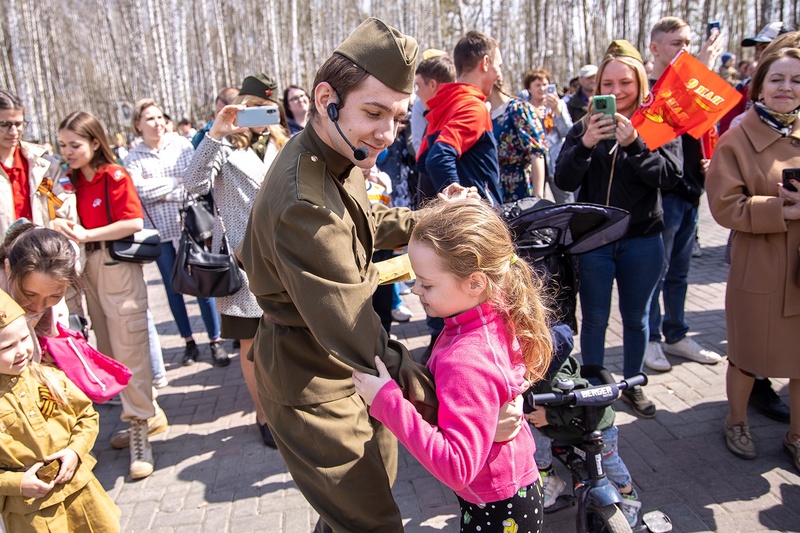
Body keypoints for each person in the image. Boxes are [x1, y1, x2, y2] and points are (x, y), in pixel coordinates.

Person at [237, 19, 521, 532]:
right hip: (317, 377)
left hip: (356, 367)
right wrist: (458, 408)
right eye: (373, 112)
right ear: (327, 98)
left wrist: (431, 219)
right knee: (372, 522)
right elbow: (350, 327)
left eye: (397, 114)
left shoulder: (332, 150)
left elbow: (363, 222)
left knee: (354, 509)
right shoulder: (306, 200)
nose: (387, 133)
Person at [353, 198, 551, 533]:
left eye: (427, 284)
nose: (415, 289)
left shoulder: (466, 359)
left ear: (475, 283)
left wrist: (388, 402)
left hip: (498, 511)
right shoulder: (490, 312)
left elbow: (457, 467)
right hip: (510, 494)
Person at [555, 40, 684, 419]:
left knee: (637, 317)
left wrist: (635, 144)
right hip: (595, 239)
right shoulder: (584, 125)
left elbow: (670, 178)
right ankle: (594, 386)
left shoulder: (658, 123)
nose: (616, 92)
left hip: (643, 239)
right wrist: (586, 144)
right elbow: (563, 177)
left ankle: (634, 383)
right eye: (607, 85)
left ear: (640, 83)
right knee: (594, 318)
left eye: (624, 83)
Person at [56, 110, 166, 479]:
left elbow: (134, 221)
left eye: (75, 145)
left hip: (116, 268)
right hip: (85, 272)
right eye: (63, 146)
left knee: (129, 345)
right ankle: (145, 415)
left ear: (94, 142)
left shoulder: (113, 176)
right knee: (107, 349)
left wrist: (87, 235)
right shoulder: (68, 182)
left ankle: (140, 429)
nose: (68, 152)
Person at [706, 46, 800, 473]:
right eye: (778, 79)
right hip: (758, 263)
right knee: (746, 353)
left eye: (797, 80)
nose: (787, 88)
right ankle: (736, 421)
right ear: (759, 85)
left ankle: (797, 434)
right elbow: (724, 206)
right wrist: (781, 211)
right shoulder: (737, 136)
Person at [184, 72, 289, 447]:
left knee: (288, 337)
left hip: (284, 257)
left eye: (268, 109)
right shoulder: (222, 145)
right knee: (252, 344)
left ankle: (289, 407)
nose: (261, 115)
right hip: (240, 259)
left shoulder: (286, 142)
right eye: (254, 109)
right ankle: (264, 414)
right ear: (240, 108)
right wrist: (216, 131)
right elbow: (193, 184)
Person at [0, 288, 121, 532]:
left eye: (24, 338)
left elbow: (86, 416)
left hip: (82, 492)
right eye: (6, 347)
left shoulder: (49, 377)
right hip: (31, 512)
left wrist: (75, 452)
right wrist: (17, 482)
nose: (22, 351)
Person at [643, 17, 724, 373]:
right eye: (676, 43)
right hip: (665, 194)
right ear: (654, 48)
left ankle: (676, 334)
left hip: (692, 190)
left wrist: (712, 159)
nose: (685, 50)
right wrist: (699, 73)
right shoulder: (651, 88)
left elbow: (705, 131)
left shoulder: (696, 85)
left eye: (689, 42)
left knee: (679, 272)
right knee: (656, 273)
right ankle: (649, 340)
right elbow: (655, 129)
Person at [124, 99, 227, 367]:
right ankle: (188, 342)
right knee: (174, 290)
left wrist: (167, 188)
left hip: (189, 229)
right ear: (138, 124)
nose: (157, 123)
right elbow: (138, 189)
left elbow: (192, 183)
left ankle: (215, 340)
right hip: (158, 234)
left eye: (160, 117)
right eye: (149, 118)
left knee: (203, 286)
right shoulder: (133, 156)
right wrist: (174, 182)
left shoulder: (181, 145)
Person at [524, 324, 641, 527]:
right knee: (533, 426)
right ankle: (547, 474)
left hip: (595, 425)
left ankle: (628, 494)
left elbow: (579, 404)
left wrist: (549, 417)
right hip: (570, 424)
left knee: (610, 463)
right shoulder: (542, 370)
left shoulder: (557, 379)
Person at [417, 30, 504, 206]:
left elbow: (423, 163)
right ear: (486, 63)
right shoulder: (473, 107)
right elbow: (438, 159)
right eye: (499, 66)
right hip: (475, 223)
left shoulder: (443, 106)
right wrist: (460, 207)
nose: (498, 74)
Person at [487, 77, 547, 200]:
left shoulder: (517, 109)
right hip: (500, 187)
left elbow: (537, 152)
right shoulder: (489, 114)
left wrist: (537, 196)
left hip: (522, 186)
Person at [410, 53, 456, 205]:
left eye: (418, 85)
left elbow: (441, 160)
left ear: (432, 85)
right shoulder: (434, 117)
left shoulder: (453, 117)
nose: (416, 92)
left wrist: (457, 204)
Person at [524, 68, 575, 203]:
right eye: (537, 85)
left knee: (565, 204)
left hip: (556, 163)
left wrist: (557, 111)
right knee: (534, 204)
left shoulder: (559, 104)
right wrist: (533, 115)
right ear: (529, 88)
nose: (542, 88)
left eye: (545, 85)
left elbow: (568, 133)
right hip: (533, 165)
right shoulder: (523, 108)